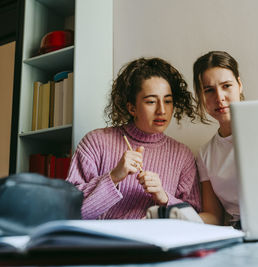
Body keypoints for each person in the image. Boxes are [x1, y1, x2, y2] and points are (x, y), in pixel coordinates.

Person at [67, 57, 201, 220]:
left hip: (156, 243)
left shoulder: (182, 155)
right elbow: (70, 212)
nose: (162, 110)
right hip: (102, 243)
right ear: (131, 107)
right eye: (151, 101)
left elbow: (195, 219)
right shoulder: (95, 142)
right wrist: (114, 177)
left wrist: (163, 197)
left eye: (168, 101)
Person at [193, 51, 244, 229]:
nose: (219, 97)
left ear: (239, 85)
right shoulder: (205, 154)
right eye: (209, 90)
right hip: (237, 230)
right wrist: (181, 218)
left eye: (226, 86)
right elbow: (214, 216)